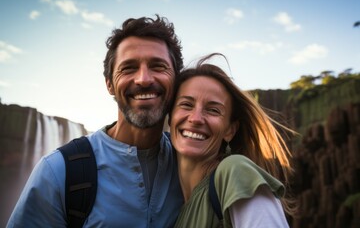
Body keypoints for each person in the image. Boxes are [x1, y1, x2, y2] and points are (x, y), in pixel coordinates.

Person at [7, 15, 184, 227]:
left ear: (176, 80)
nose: (143, 79)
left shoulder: (193, 162)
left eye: (158, 66)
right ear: (109, 84)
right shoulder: (57, 171)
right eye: (128, 68)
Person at [169, 53, 296, 227]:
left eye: (213, 110)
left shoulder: (236, 172)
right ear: (170, 116)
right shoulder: (168, 207)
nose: (196, 118)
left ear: (230, 130)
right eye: (186, 105)